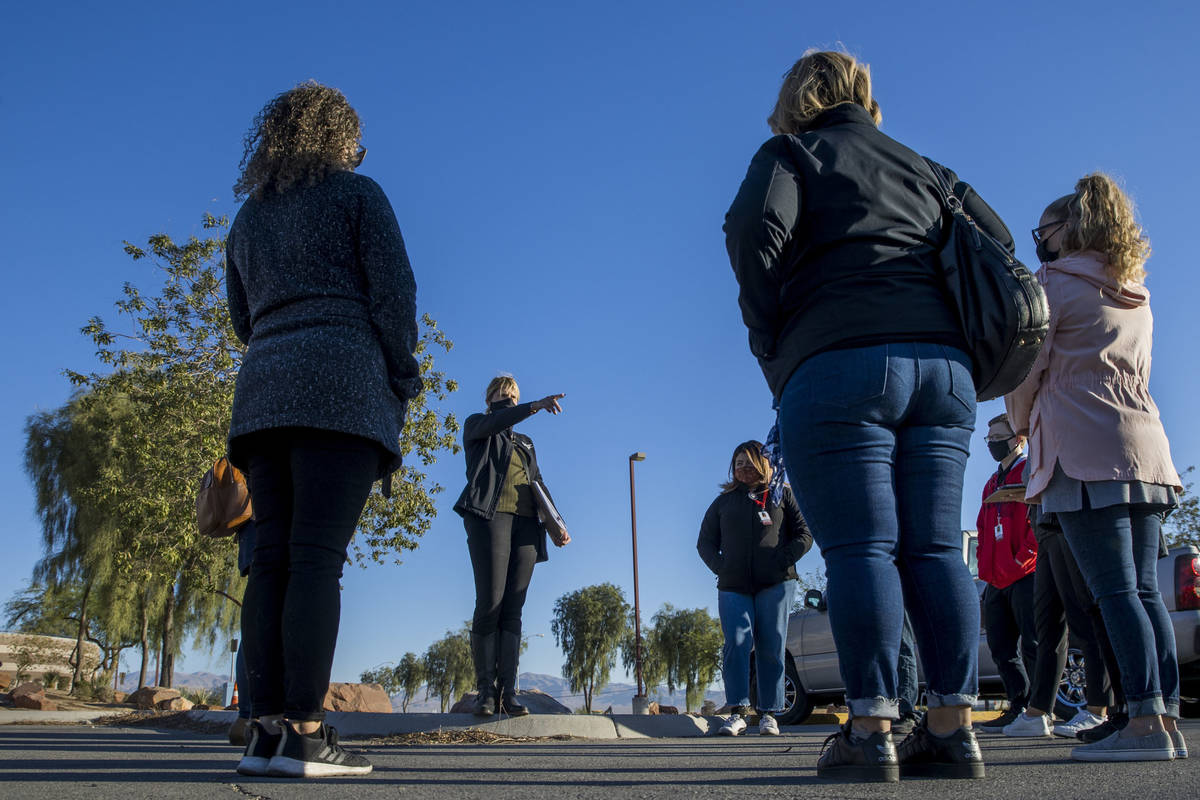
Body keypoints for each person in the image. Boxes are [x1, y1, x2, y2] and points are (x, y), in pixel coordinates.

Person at [724, 50, 1013, 782]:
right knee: (938, 549)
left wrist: (771, 337)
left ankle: (873, 726)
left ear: (798, 97)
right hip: (945, 369)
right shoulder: (925, 168)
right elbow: (1000, 239)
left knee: (861, 549)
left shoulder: (791, 152)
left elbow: (753, 234)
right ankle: (951, 728)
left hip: (837, 359)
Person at [225, 82, 421, 778]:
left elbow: (242, 318)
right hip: (340, 388)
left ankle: (266, 733)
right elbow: (395, 295)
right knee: (315, 558)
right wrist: (403, 374)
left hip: (261, 396)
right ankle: (308, 734)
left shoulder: (249, 217)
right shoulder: (358, 195)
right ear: (340, 137)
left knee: (269, 559)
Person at [1006, 173, 1184, 762]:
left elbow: (1028, 370)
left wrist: (1019, 422)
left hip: (1080, 445)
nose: (1041, 239)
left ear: (1068, 229)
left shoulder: (1053, 281)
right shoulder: (1135, 288)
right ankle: (1161, 715)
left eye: (1045, 229)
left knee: (1113, 593)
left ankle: (1140, 721)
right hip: (1145, 444)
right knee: (1143, 592)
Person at [455, 376, 568, 717]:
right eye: (503, 394)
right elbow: (498, 421)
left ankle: (507, 692)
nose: (509, 397)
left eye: (514, 394)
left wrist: (557, 523)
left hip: (526, 526)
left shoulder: (526, 442)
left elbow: (538, 482)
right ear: (489, 398)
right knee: (490, 601)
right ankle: (485, 693)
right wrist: (531, 406)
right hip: (489, 519)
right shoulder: (479, 426)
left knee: (513, 608)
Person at [697, 440, 812, 736]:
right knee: (735, 644)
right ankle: (737, 712)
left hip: (776, 583)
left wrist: (782, 560)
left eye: (749, 462)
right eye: (738, 463)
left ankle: (769, 713)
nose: (743, 468)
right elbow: (705, 543)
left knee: (771, 645)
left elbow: (804, 533)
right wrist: (722, 567)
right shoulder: (723, 502)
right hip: (733, 586)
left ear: (763, 464)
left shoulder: (781, 495)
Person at [1011, 506, 1117, 741]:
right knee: (1047, 625)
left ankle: (1098, 709)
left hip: (1067, 518)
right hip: (1044, 523)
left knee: (1084, 619)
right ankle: (1038, 711)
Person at [971, 414, 1040, 734]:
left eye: (998, 437)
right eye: (989, 440)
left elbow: (1034, 525)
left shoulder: (1027, 472)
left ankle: (1041, 707)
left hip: (1025, 574)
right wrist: (987, 570)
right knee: (1001, 645)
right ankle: (1019, 703)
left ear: (1018, 439)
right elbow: (983, 528)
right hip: (996, 579)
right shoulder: (991, 482)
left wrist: (1020, 561)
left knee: (1033, 642)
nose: (992, 444)